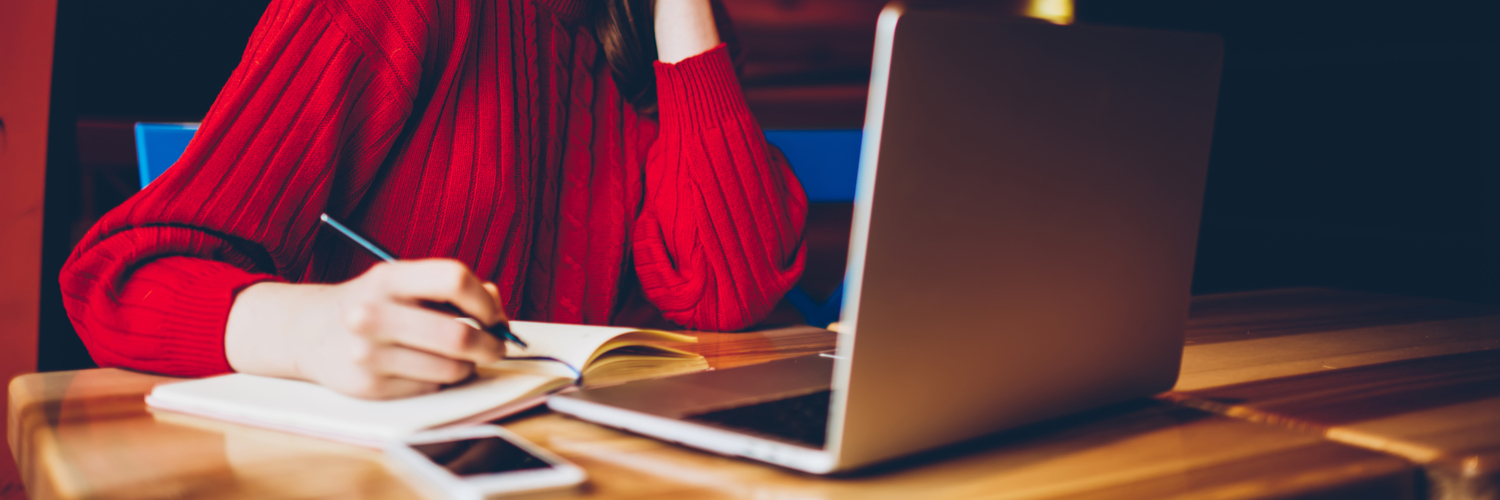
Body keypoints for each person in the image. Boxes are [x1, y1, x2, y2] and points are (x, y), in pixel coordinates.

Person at [60, 0, 807, 400]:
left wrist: (684, 9)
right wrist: (306, 331)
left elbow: (726, 292)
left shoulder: (673, 30)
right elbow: (120, 276)